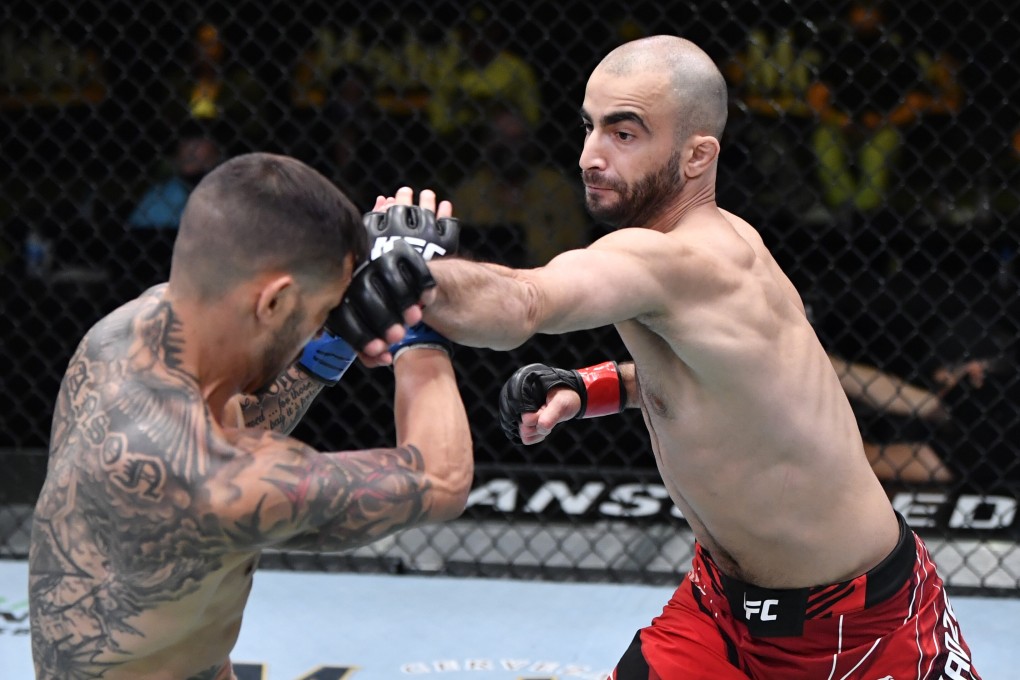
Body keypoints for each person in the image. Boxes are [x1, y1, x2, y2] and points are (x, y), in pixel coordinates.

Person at [346, 36, 981, 678]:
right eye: (590, 127)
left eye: (624, 134)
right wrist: (589, 386)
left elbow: (523, 302)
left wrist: (419, 270)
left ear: (697, 154)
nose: (591, 155)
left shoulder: (682, 260)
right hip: (720, 612)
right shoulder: (689, 244)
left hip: (863, 631)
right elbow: (716, 386)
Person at [28, 153, 473, 679]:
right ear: (274, 302)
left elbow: (236, 424)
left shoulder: (124, 337)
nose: (317, 328)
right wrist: (417, 321)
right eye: (320, 312)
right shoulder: (206, 478)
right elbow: (440, 479)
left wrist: (335, 345)